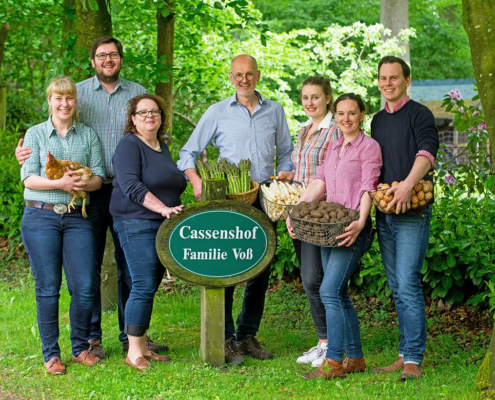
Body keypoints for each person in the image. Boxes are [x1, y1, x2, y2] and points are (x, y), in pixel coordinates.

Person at [15, 37, 168, 357]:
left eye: (113, 54)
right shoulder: (78, 92)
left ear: (121, 59)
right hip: (89, 195)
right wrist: (28, 157)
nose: (108, 60)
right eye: (101, 55)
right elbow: (48, 133)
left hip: (129, 191)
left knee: (131, 266)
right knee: (90, 265)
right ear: (93, 60)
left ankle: (132, 337)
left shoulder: (137, 93)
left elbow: (150, 130)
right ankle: (91, 338)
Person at [177, 54, 294, 365]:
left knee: (262, 266)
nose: (244, 79)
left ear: (258, 75)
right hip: (230, 198)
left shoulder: (275, 111)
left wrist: (285, 173)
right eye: (238, 75)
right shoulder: (217, 112)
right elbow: (187, 152)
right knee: (227, 267)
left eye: (249, 74)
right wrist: (196, 180)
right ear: (231, 77)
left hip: (267, 197)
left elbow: (287, 155)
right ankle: (226, 337)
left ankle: (248, 335)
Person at [287, 93, 382, 380]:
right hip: (329, 231)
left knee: (329, 291)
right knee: (338, 293)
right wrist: (296, 211)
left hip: (353, 230)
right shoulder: (335, 146)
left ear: (362, 114)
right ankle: (355, 358)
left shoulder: (369, 148)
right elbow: (321, 181)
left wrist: (361, 221)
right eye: (340, 114)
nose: (345, 119)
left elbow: (369, 187)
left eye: (351, 113)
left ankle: (334, 363)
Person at [20, 76, 105, 374]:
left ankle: (80, 347)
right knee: (48, 288)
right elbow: (29, 178)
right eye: (58, 98)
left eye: (69, 98)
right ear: (50, 101)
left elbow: (98, 178)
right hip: (40, 216)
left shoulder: (88, 136)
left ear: (75, 102)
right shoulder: (35, 135)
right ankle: (51, 355)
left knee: (83, 286)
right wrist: (61, 181)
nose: (64, 103)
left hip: (75, 218)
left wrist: (83, 181)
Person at [370, 56, 439, 380]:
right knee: (397, 286)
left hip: (413, 211)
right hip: (385, 214)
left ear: (407, 80)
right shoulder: (376, 121)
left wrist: (408, 186)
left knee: (408, 284)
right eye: (383, 78)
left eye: (394, 78)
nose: (388, 83)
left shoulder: (420, 114)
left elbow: (427, 152)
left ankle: (413, 358)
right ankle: (403, 353)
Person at [111, 94, 186, 370]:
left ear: (161, 117)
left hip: (161, 223)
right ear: (133, 119)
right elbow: (131, 186)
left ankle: (142, 346)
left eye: (154, 111)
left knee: (149, 286)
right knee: (142, 285)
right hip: (136, 221)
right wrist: (163, 208)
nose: (149, 116)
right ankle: (133, 352)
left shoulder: (162, 148)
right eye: (142, 113)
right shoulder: (129, 146)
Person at [290, 76, 341, 368]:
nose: (310, 102)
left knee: (316, 279)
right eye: (305, 97)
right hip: (300, 212)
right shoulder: (303, 130)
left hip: (320, 216)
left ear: (328, 98)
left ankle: (331, 343)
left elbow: (330, 175)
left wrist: (306, 207)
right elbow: (303, 170)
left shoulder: (333, 131)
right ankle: (323, 341)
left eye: (316, 97)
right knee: (310, 279)